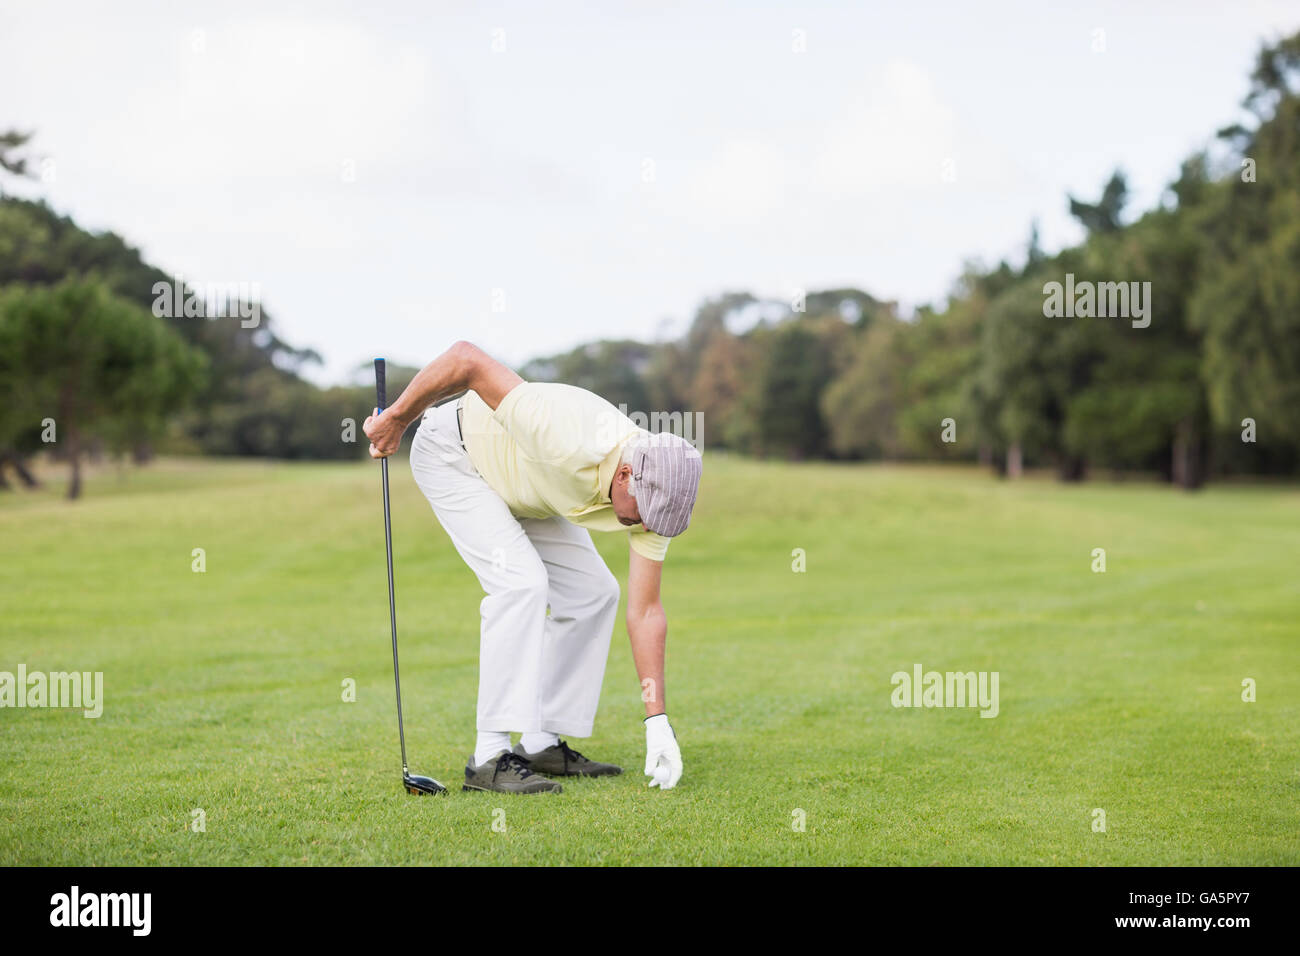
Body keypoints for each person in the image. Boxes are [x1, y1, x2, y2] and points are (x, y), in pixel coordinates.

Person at [362, 341, 702, 794]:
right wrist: (399, 418)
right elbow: (466, 359)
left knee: (595, 592)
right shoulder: (565, 435)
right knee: (521, 584)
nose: (643, 526)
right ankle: (488, 757)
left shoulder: (658, 496)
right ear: (624, 476)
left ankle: (541, 741)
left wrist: (657, 721)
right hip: (455, 454)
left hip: (526, 486)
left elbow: (645, 611)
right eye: (642, 514)